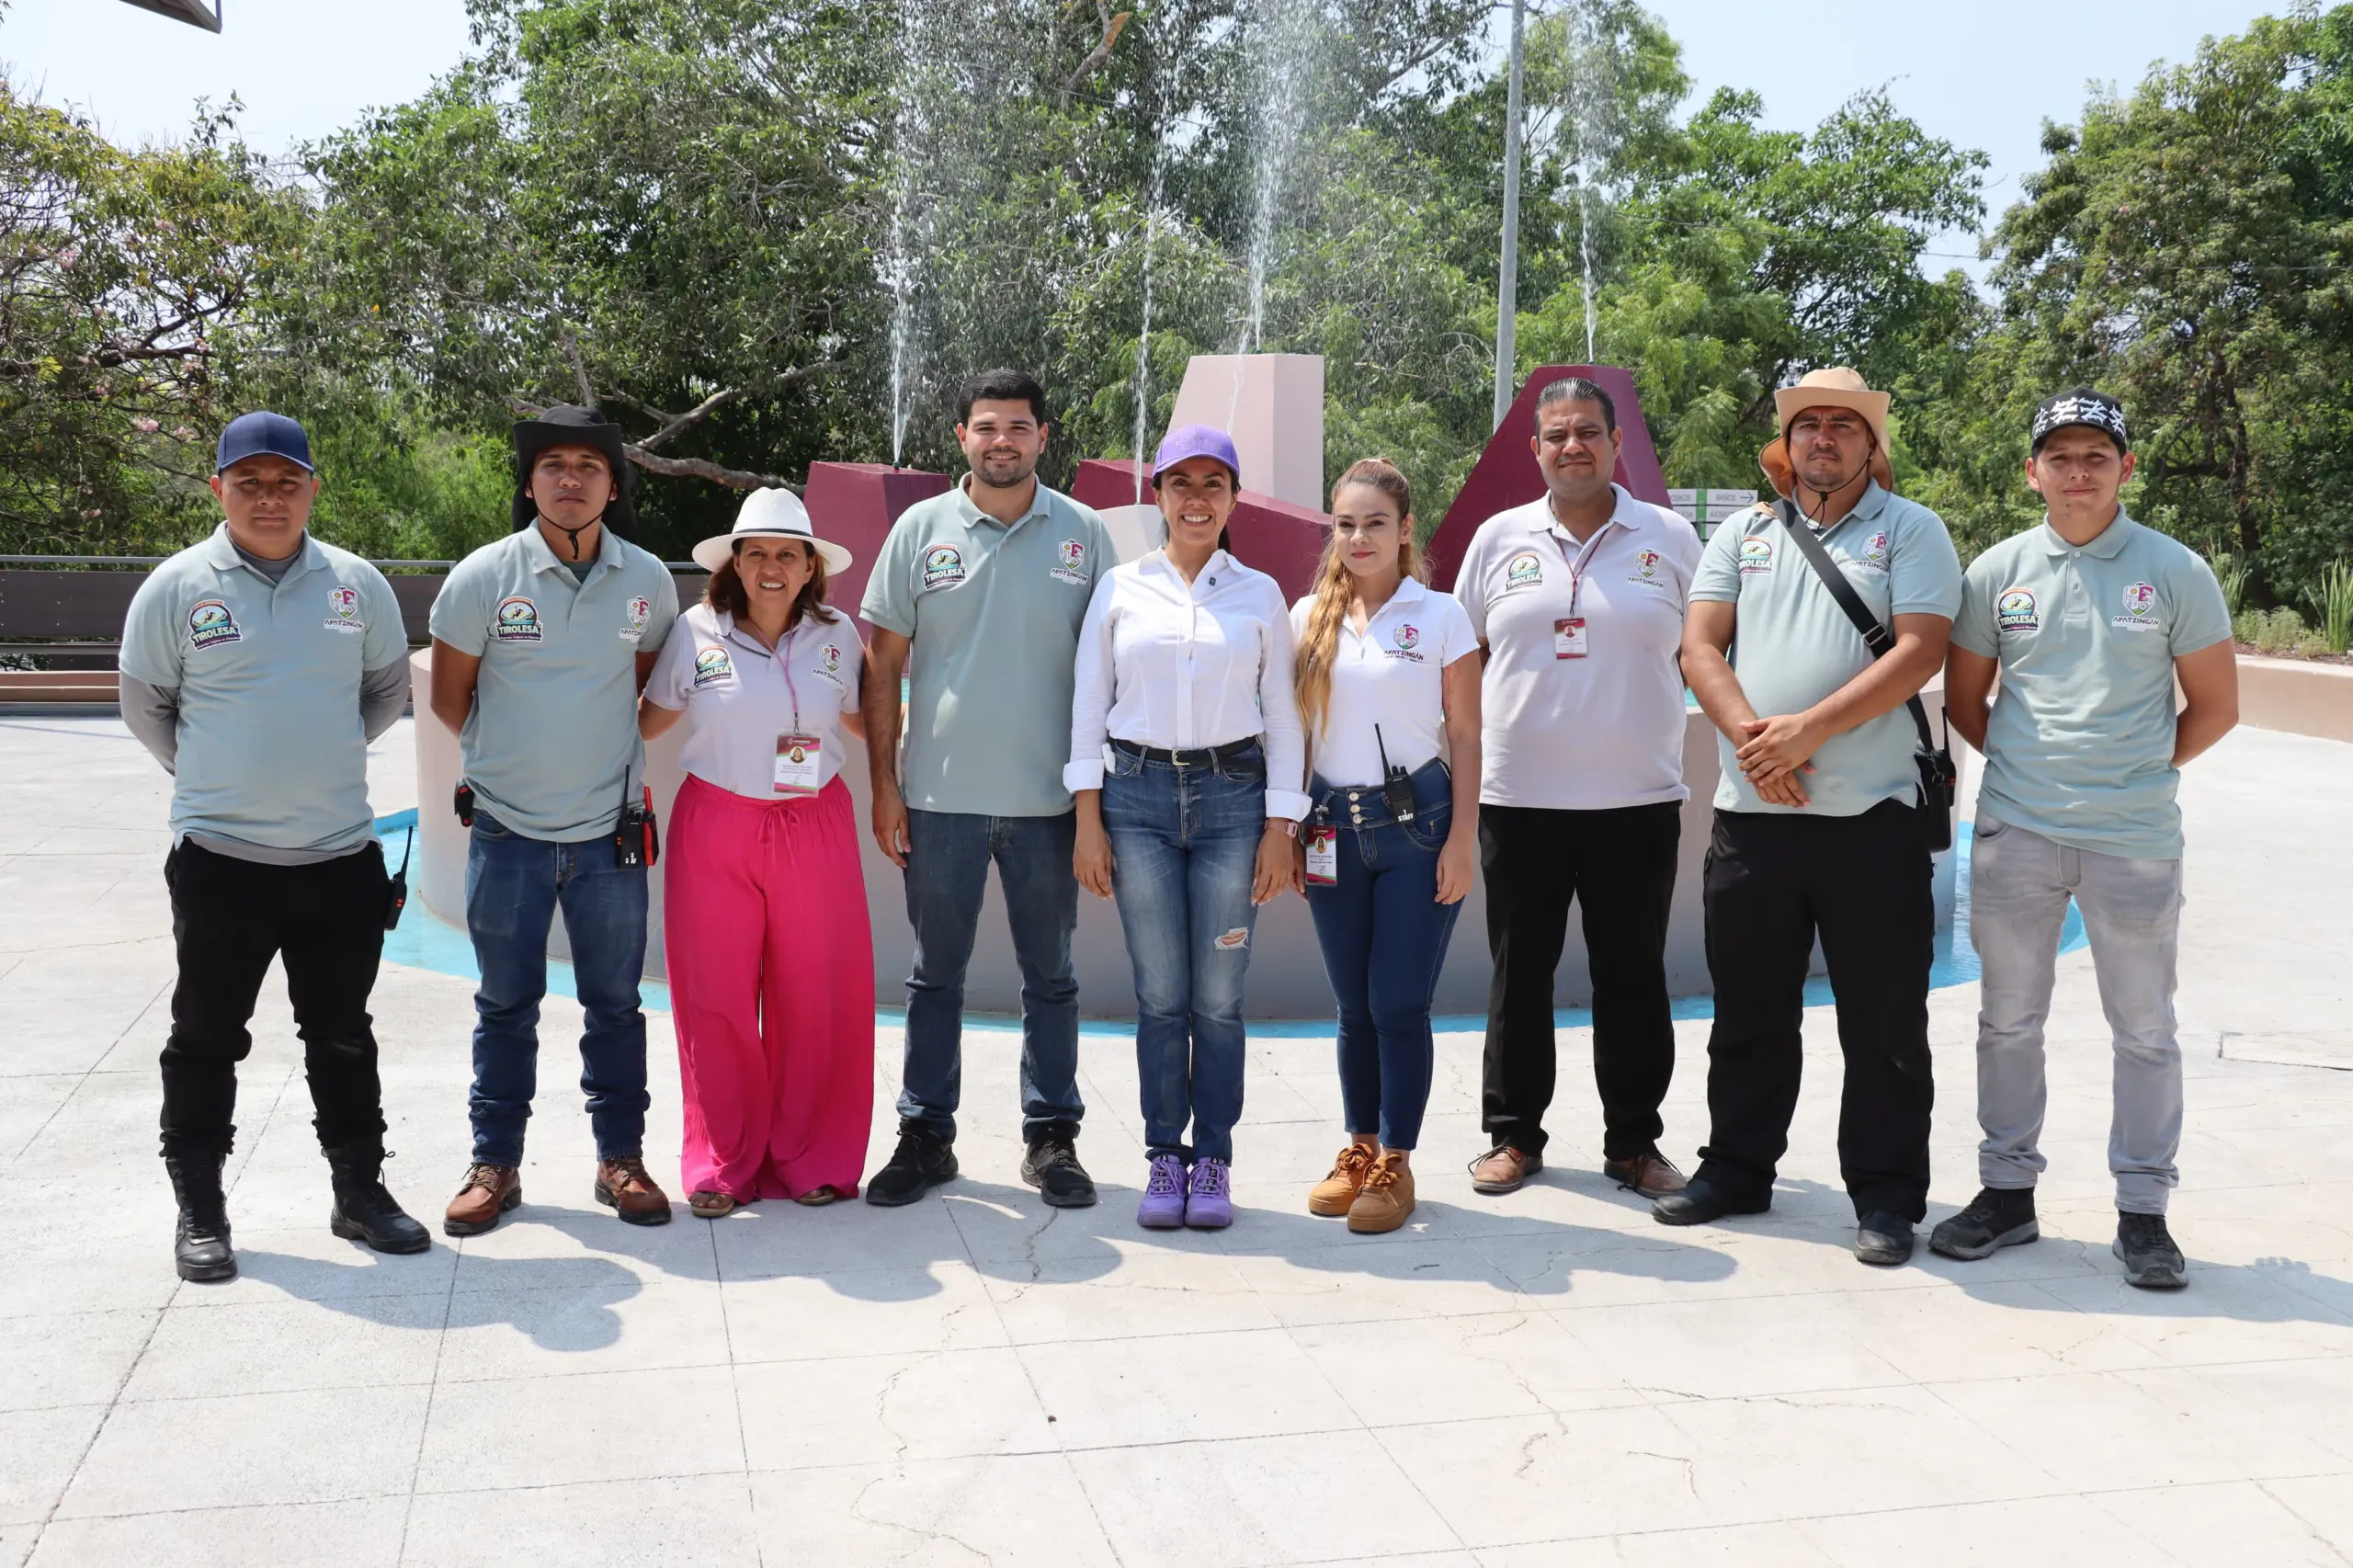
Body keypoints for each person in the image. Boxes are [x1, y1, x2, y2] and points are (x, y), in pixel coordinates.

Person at [1929, 390, 2237, 1290]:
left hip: (2134, 839)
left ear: (2123, 468)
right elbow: (1962, 700)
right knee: (2007, 1020)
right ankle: (2005, 1192)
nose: (2076, 471)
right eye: (2058, 456)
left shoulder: (2175, 570)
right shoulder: (1997, 572)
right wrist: (2034, 770)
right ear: (2032, 471)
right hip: (2017, 831)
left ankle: (2143, 1211)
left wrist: (2136, 771)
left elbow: (2215, 706)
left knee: (2144, 1029)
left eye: (2094, 455)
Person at [1662, 368, 1962, 1267]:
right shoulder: (1743, 534)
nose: (1823, 438)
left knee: (1883, 1022)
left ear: (1873, 445)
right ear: (1785, 445)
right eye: (1807, 425)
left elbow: (1919, 650)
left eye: (1843, 425)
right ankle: (1737, 1168)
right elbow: (1699, 643)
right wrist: (1759, 742)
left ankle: (1883, 1195)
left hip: (1874, 820)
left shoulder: (1912, 531)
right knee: (1749, 1012)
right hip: (1754, 820)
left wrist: (1807, 732)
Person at [119, 411, 429, 1280]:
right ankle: (201, 1209)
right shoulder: (178, 587)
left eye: (285, 481)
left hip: (337, 859)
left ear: (311, 489)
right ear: (219, 489)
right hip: (222, 863)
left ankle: (360, 1195)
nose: (268, 497)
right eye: (248, 482)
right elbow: (146, 708)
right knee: (206, 1036)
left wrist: (311, 764)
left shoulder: (356, 585)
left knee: (342, 1035)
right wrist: (222, 776)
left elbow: (382, 694)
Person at [860, 369, 1117, 1209]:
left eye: (1018, 426)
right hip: (938, 801)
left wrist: (1093, 808)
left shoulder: (1085, 536)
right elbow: (883, 665)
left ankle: (1052, 1138)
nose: (1001, 440)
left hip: (1050, 804)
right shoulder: (919, 530)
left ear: (1045, 436)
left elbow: (1108, 673)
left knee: (1052, 976)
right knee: (936, 976)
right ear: (962, 437)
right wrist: (886, 787)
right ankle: (926, 1134)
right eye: (985, 426)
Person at [1449, 378, 1704, 1202]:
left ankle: (1635, 1143)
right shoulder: (1497, 539)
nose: (1573, 447)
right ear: (1535, 449)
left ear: (1616, 440)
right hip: (1518, 799)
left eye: (1588, 432)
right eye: (1556, 435)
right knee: (1518, 975)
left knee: (1632, 978)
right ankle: (1513, 1136)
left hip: (1637, 800)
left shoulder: (1669, 537)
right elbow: (1459, 663)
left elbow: (1708, 649)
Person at [427, 405, 680, 1233]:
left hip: (610, 835)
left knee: (615, 1005)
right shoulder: (482, 578)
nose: (570, 481)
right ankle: (495, 1162)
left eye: (588, 467)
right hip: (507, 834)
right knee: (506, 1004)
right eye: (553, 466)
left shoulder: (647, 581)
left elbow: (639, 688)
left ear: (613, 484)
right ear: (529, 481)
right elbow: (448, 698)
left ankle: (621, 1159)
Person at [1069, 425, 1309, 1229]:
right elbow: (1087, 706)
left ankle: (1214, 1161)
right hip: (1133, 801)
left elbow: (1283, 713)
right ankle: (1163, 1158)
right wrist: (1087, 820)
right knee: (1161, 994)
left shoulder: (1259, 592)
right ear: (1159, 495)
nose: (1196, 498)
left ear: (1235, 496)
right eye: (1181, 483)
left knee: (1218, 997)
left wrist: (1284, 825)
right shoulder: (1121, 587)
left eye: (1214, 483)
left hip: (1233, 805)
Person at [640, 490, 873, 1217]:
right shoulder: (694, 631)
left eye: (787, 554)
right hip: (717, 824)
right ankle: (721, 1163)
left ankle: (816, 1158)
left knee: (817, 994)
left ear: (811, 568)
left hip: (815, 823)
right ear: (734, 563)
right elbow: (646, 724)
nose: (771, 567)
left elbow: (872, 725)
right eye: (756, 553)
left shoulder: (839, 637)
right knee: (716, 999)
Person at [1290, 459, 1481, 1233]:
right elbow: (1292, 735)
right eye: (1345, 523)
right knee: (1352, 1007)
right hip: (1331, 825)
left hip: (1420, 825)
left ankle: (1396, 1161)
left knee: (1398, 1003)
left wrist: (1463, 837)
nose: (1359, 537)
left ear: (1406, 531)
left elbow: (1466, 733)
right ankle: (1358, 1148)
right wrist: (1289, 830)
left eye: (1375, 523)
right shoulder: (1306, 617)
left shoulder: (1440, 617)